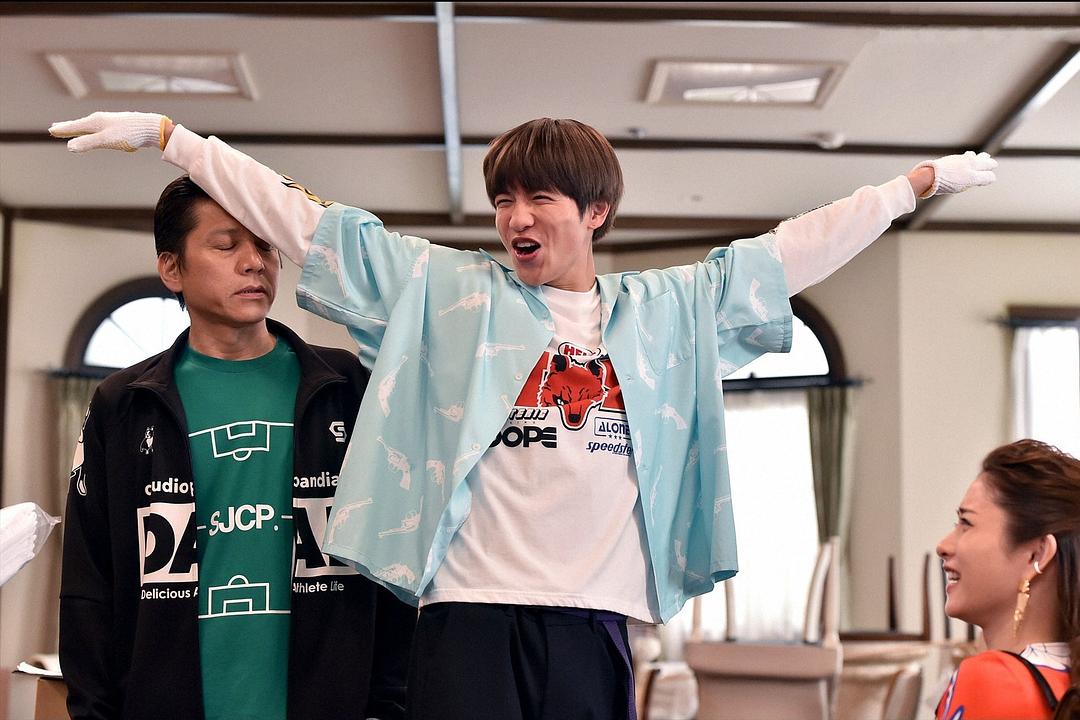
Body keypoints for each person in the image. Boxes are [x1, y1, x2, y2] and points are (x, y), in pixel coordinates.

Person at [51, 111, 996, 720]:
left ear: (597, 211)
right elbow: (309, 224)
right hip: (465, 622)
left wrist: (909, 188)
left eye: (539, 196)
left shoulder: (665, 313)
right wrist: (176, 138)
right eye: (503, 199)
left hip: (592, 624)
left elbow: (792, 251)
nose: (515, 217)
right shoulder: (448, 294)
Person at [59, 175, 415, 720]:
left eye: (265, 245)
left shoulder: (348, 387)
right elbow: (89, 587)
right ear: (171, 268)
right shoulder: (123, 405)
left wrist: (388, 705)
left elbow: (394, 558)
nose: (254, 263)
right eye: (226, 246)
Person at [935, 439, 1080, 720]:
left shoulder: (994, 680)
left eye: (966, 523)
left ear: (1036, 555)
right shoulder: (1066, 680)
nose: (943, 546)